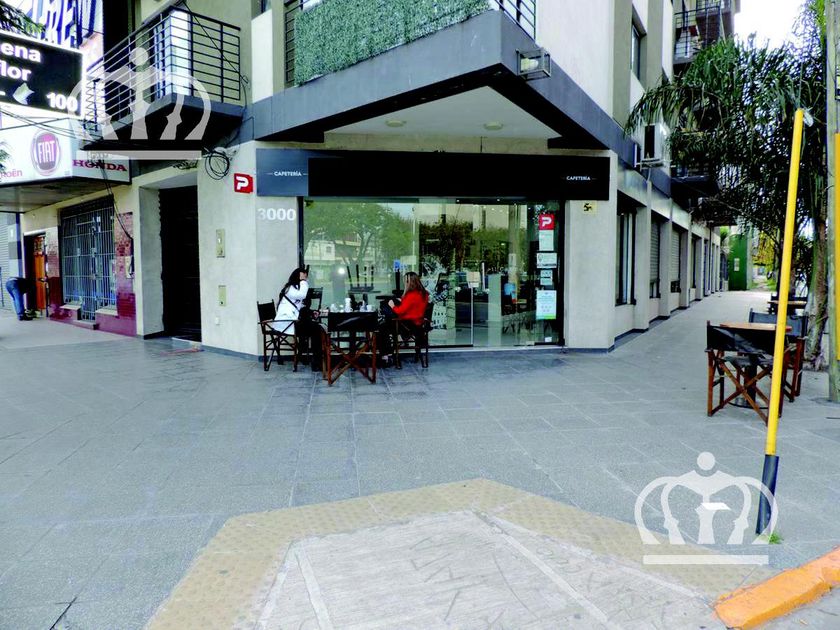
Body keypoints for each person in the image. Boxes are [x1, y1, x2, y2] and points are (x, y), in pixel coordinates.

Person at [274, 267, 321, 371]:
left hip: (291, 322)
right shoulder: (290, 288)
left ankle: (310, 358)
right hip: (286, 323)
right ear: (297, 275)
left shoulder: (294, 288)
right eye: (303, 275)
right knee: (316, 329)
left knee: (315, 328)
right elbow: (302, 295)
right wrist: (304, 282)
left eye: (306, 276)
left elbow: (299, 307)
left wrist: (312, 312)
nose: (305, 277)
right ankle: (316, 362)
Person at [379, 271, 429, 364]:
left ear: (409, 282)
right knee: (386, 324)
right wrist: (402, 300)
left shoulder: (411, 295)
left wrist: (392, 305)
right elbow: (414, 306)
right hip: (418, 324)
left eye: (405, 281)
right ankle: (388, 354)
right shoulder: (424, 294)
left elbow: (399, 311)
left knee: (382, 328)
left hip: (407, 325)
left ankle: (386, 355)